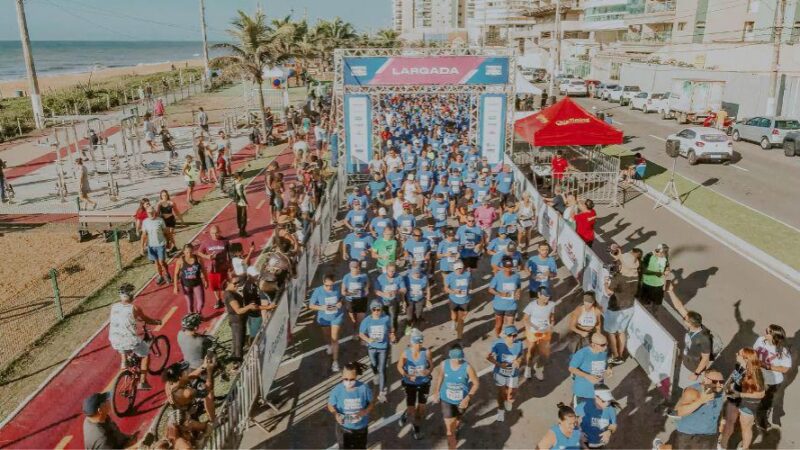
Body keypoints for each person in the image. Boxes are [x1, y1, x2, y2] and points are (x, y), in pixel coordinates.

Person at [108, 284, 161, 390]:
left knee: (122, 344)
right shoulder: (134, 308)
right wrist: (156, 322)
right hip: (129, 340)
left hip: (114, 339)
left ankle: (124, 363)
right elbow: (146, 319)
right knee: (145, 354)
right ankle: (142, 382)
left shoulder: (114, 306)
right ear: (131, 295)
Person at [431, 344, 480, 450]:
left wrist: (468, 398)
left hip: (462, 401)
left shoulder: (468, 367)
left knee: (458, 418)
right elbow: (440, 376)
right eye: (455, 359)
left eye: (460, 359)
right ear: (450, 357)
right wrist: (436, 391)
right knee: (450, 431)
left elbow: (476, 383)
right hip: (446, 400)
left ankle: (456, 426)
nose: (458, 361)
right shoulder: (444, 364)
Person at [666, 284, 712, 389]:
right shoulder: (694, 326)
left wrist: (696, 374)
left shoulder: (704, 338)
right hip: (686, 362)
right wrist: (670, 291)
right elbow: (679, 307)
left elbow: (705, 359)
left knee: (690, 389)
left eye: (685, 320)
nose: (684, 319)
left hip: (693, 368)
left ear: (690, 324)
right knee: (680, 385)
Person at [719, 348, 765, 450]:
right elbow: (734, 377)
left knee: (746, 428)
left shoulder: (755, 374)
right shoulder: (739, 366)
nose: (736, 353)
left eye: (738, 353)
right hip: (735, 397)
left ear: (745, 358)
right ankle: (722, 443)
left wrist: (740, 395)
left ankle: (745, 447)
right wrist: (726, 386)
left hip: (749, 403)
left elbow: (761, 394)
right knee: (729, 420)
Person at [669, 370, 725, 450]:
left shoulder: (720, 393)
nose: (719, 385)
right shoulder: (692, 392)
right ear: (705, 380)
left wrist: (720, 429)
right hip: (689, 434)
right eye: (715, 381)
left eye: (721, 382)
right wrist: (701, 401)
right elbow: (680, 412)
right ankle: (660, 447)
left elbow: (718, 412)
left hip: (710, 435)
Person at [603, 252, 640, 365]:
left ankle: (616, 356)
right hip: (629, 307)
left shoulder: (618, 278)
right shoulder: (636, 276)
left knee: (611, 333)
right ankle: (621, 353)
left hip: (615, 308)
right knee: (621, 331)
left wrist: (605, 283)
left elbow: (609, 292)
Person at [327, 361, 374, 450]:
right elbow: (330, 405)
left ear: (356, 377)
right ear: (342, 376)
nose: (348, 382)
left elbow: (371, 403)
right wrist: (336, 414)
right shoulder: (337, 390)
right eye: (345, 379)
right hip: (343, 429)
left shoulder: (364, 388)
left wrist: (365, 411)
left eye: (352, 379)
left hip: (361, 428)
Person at [753, 323, 792, 430]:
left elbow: (785, 369)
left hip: (772, 382)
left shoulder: (783, 351)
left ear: (774, 336)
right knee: (753, 397)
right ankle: (750, 415)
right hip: (757, 376)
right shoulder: (760, 340)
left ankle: (760, 420)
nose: (764, 332)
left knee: (766, 402)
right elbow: (754, 353)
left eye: (768, 332)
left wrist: (768, 367)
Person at [397, 329, 431, 440]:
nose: (418, 345)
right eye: (417, 343)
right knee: (411, 409)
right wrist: (407, 375)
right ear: (412, 342)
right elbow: (399, 366)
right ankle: (406, 414)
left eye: (420, 342)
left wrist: (428, 371)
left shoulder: (426, 352)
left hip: (424, 383)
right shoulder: (405, 353)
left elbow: (431, 365)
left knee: (421, 410)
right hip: (410, 384)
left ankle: (416, 427)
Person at [224, 275, 267, 362]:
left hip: (239, 321)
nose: (237, 285)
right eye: (234, 283)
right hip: (237, 322)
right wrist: (249, 307)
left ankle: (236, 363)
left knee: (239, 344)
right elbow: (238, 311)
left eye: (238, 282)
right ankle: (238, 366)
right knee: (238, 346)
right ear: (228, 283)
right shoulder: (229, 294)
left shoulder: (232, 292)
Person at [487, 325, 525, 422]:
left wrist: (519, 361)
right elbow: (488, 357)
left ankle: (509, 401)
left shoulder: (519, 344)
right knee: (501, 393)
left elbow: (521, 354)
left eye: (515, 335)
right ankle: (500, 411)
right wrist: (499, 364)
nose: (512, 338)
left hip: (513, 373)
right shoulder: (497, 344)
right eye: (510, 336)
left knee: (512, 392)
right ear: (505, 335)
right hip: (500, 373)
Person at [359, 300, 394, 402]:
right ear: (371, 310)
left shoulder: (386, 318)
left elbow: (391, 329)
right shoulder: (367, 321)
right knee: (374, 364)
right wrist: (368, 340)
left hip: (383, 347)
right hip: (372, 347)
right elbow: (361, 333)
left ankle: (382, 392)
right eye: (374, 309)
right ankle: (375, 374)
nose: (376, 311)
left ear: (381, 310)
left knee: (382, 368)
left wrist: (391, 335)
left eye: (378, 309)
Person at [309, 274, 344, 372]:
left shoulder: (337, 288)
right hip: (324, 318)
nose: (329, 287)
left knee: (335, 339)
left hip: (336, 317)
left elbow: (341, 298)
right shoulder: (318, 291)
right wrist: (322, 307)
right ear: (323, 282)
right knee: (327, 335)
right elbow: (311, 305)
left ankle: (335, 362)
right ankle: (329, 345)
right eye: (327, 285)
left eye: (331, 285)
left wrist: (340, 302)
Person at [568, 332, 611, 407]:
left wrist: (608, 369)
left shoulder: (603, 352)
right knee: (579, 412)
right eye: (603, 345)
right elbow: (571, 368)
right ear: (593, 344)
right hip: (582, 391)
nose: (606, 347)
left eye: (607, 344)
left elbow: (605, 364)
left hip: (597, 390)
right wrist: (587, 376)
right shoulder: (582, 353)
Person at [523, 286, 556, 381]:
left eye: (548, 296)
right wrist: (532, 327)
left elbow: (552, 317)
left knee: (545, 354)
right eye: (545, 296)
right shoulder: (531, 305)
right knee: (531, 351)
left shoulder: (552, 305)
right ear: (538, 295)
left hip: (545, 331)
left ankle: (539, 369)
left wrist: (552, 324)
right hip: (533, 332)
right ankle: (528, 368)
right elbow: (525, 319)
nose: (547, 298)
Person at [576, 385, 619, 449]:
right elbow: (574, 421)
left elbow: (614, 425)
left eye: (609, 400)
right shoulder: (584, 405)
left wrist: (609, 431)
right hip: (585, 441)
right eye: (604, 400)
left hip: (600, 443)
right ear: (595, 397)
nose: (607, 403)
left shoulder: (611, 409)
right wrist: (579, 432)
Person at [488, 258, 522, 337]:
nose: (508, 269)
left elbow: (519, 286)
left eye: (510, 267)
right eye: (506, 267)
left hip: (511, 305)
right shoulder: (497, 276)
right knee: (499, 324)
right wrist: (500, 294)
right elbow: (490, 289)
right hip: (499, 305)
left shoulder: (516, 276)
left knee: (510, 326)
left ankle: (508, 341)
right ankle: (498, 338)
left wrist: (518, 292)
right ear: (503, 267)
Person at [197, 226, 230, 309]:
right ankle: (218, 300)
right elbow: (199, 252)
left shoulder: (225, 241)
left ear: (220, 232)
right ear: (210, 233)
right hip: (212, 268)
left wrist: (230, 265)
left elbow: (230, 253)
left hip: (223, 267)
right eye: (213, 233)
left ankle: (225, 300)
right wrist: (207, 256)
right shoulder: (206, 242)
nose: (215, 235)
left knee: (223, 285)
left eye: (216, 233)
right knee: (214, 286)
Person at [375, 263, 407, 342]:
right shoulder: (380, 278)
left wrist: (396, 291)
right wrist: (384, 294)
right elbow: (375, 291)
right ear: (386, 270)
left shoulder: (399, 277)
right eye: (390, 271)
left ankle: (393, 334)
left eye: (393, 271)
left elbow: (404, 289)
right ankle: (384, 334)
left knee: (393, 318)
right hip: (383, 302)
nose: (392, 273)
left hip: (393, 301)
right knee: (384, 319)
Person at [173, 244, 207, 314]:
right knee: (190, 304)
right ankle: (191, 316)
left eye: (191, 252)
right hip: (186, 285)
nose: (189, 254)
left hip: (197, 283)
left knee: (201, 303)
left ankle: (198, 315)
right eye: (187, 252)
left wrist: (206, 280)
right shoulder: (180, 261)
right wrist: (175, 287)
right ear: (184, 252)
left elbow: (203, 270)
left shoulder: (198, 259)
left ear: (193, 251)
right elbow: (176, 274)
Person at [141, 206, 170, 285]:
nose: (152, 214)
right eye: (150, 213)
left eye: (153, 212)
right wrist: (142, 247)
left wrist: (168, 242)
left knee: (161, 262)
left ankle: (167, 274)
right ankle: (160, 276)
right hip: (151, 246)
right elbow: (144, 235)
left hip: (160, 244)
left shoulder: (160, 220)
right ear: (147, 213)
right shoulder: (145, 222)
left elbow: (166, 232)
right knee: (156, 263)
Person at [640, 244, 670, 312]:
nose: (664, 255)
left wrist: (667, 270)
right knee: (645, 303)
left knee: (656, 304)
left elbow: (667, 266)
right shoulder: (649, 256)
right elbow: (643, 270)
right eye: (663, 253)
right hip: (647, 284)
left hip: (659, 285)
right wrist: (655, 273)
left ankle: (654, 313)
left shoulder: (665, 257)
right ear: (658, 251)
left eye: (665, 253)